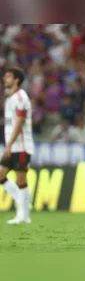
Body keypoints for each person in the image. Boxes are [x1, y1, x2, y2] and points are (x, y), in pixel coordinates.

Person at [0, 67, 34, 224]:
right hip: (12, 145)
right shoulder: (10, 98)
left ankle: (23, 214)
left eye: (8, 77)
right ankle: (23, 205)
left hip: (21, 145)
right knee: (1, 175)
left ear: (16, 80)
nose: (4, 79)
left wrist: (10, 144)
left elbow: (20, 122)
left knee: (21, 179)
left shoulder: (21, 97)